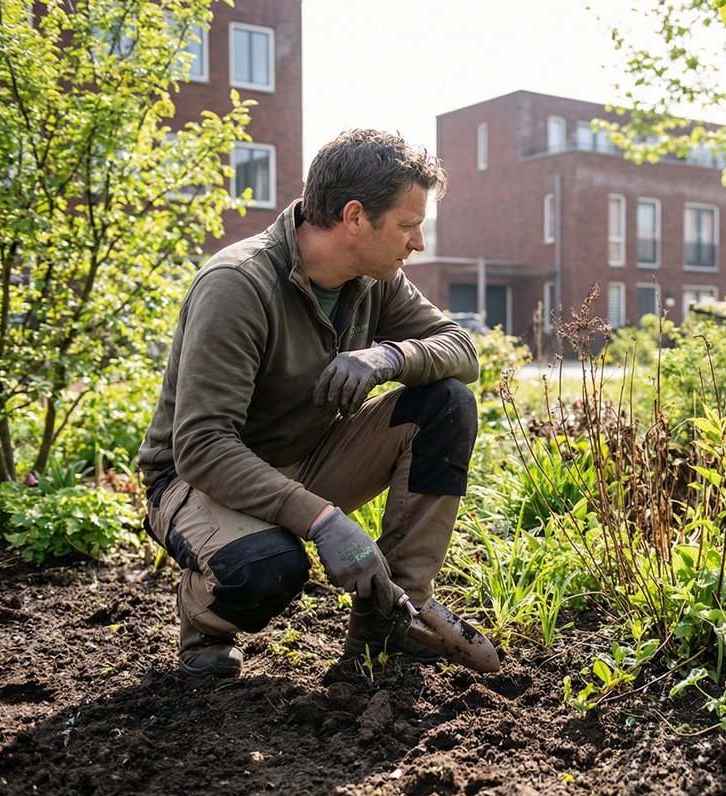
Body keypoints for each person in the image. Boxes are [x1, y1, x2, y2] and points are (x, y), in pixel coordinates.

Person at [138, 129, 479, 679]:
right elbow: (201, 446)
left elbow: (461, 350)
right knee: (267, 568)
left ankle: (395, 613)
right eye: (408, 225)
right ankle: (205, 623)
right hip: (197, 481)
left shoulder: (377, 278)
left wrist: (385, 357)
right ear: (354, 217)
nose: (418, 243)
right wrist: (323, 521)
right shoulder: (238, 285)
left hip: (308, 457)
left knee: (446, 402)